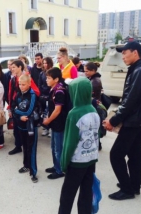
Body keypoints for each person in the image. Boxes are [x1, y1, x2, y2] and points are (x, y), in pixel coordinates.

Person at [103, 41, 141, 200]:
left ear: (135, 53)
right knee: (134, 152)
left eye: (125, 52)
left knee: (116, 155)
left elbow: (131, 101)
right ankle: (134, 185)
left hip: (133, 121)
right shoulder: (138, 69)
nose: (122, 56)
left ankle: (127, 189)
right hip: (138, 120)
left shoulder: (140, 72)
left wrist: (115, 119)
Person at [58, 77, 100, 214]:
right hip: (91, 159)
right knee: (86, 193)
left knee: (67, 196)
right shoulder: (94, 110)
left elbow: (69, 142)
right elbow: (96, 136)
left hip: (76, 162)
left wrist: (64, 163)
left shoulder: (74, 114)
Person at [7, 60, 40, 155]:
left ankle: (27, 150)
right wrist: (10, 107)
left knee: (26, 131)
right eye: (11, 67)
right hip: (16, 107)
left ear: (20, 67)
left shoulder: (27, 78)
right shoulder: (12, 79)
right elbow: (10, 94)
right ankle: (18, 146)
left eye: (14, 67)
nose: (11, 68)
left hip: (26, 109)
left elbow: (36, 91)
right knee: (16, 129)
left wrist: (27, 100)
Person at [12, 74, 39, 183]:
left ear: (29, 84)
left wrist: (17, 111)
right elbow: (13, 107)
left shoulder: (32, 95)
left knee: (31, 149)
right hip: (20, 125)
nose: (21, 86)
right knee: (24, 147)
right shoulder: (18, 94)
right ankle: (26, 165)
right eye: (20, 84)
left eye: (23, 84)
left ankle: (33, 172)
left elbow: (29, 112)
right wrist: (18, 115)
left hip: (30, 126)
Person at [43, 67, 68, 179]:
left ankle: (60, 170)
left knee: (58, 148)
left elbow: (57, 110)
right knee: (53, 147)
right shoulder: (54, 88)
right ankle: (56, 165)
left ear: (56, 79)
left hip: (59, 123)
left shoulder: (60, 91)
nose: (46, 80)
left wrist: (48, 120)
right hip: (55, 123)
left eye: (48, 78)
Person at [39, 57, 53, 137]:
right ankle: (45, 128)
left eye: (46, 63)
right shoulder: (42, 73)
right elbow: (39, 84)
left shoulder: (52, 72)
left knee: (50, 112)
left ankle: (51, 128)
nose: (45, 65)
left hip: (50, 94)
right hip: (43, 95)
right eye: (44, 63)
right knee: (44, 112)